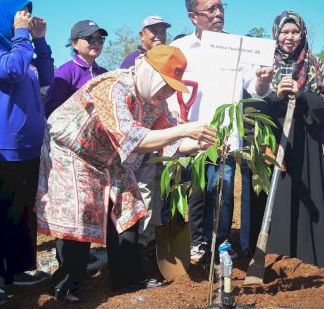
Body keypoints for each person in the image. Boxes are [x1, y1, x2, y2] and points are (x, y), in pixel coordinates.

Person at [36, 45, 217, 302]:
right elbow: (131, 137)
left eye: (171, 87)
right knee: (79, 213)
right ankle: (67, 285)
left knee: (127, 209)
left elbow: (170, 143)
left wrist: (202, 143)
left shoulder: (157, 103)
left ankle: (127, 280)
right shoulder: (113, 86)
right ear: (149, 73)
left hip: (111, 157)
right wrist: (184, 130)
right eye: (164, 84)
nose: (167, 92)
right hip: (74, 152)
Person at [0, 0, 54, 306]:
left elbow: (44, 77)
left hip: (28, 147)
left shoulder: (20, 47)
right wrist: (22, 36)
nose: (25, 19)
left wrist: (40, 41)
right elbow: (13, 71)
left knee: (22, 213)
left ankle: (16, 270)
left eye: (27, 15)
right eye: (20, 15)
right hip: (3, 147)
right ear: (1, 16)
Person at [242, 11, 324, 267]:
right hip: (270, 137)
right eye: (284, 32)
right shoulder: (262, 63)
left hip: (303, 139)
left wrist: (301, 93)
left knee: (304, 198)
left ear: (302, 33)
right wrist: (276, 96)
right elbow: (249, 104)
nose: (290, 37)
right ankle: (269, 252)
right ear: (275, 33)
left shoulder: (314, 63)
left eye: (295, 32)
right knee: (270, 196)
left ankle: (306, 254)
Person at [167, 0, 237, 262]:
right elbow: (169, 91)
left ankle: (220, 246)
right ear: (193, 16)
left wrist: (264, 81)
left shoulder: (236, 46)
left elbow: (255, 90)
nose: (218, 13)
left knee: (222, 194)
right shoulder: (180, 49)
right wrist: (177, 128)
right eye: (211, 9)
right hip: (190, 137)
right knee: (192, 192)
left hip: (226, 137)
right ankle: (195, 244)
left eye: (221, 7)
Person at [120, 15, 171, 252]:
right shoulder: (133, 61)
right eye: (153, 30)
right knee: (143, 195)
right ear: (142, 34)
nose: (159, 34)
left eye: (162, 30)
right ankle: (138, 248)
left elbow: (161, 108)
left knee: (157, 194)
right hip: (136, 147)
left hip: (156, 144)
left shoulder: (166, 59)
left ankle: (149, 243)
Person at [44, 20, 108, 117]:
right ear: (74, 43)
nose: (96, 43)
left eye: (99, 39)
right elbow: (51, 111)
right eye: (90, 39)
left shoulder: (105, 74)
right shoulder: (64, 72)